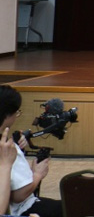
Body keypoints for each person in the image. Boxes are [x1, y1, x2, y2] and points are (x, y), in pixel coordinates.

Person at [2, 86, 61, 217]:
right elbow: (19, 196)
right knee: (75, 207)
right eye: (16, 112)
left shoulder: (8, 144)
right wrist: (38, 174)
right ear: (8, 114)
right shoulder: (7, 149)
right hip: (22, 210)